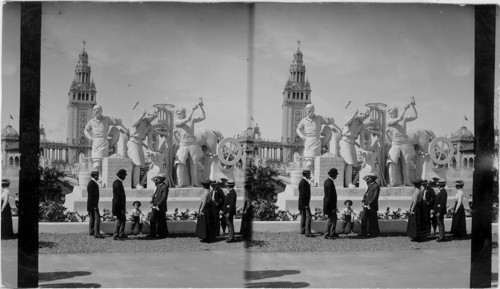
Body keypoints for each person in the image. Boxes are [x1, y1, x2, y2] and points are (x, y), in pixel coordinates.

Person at [386, 99, 418, 186]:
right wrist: (404, 109)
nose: (390, 114)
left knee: (406, 164)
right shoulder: (389, 121)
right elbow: (399, 118)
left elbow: (415, 116)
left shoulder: (404, 119)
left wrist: (412, 106)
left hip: (404, 144)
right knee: (391, 162)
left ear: (396, 112)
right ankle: (392, 182)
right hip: (395, 144)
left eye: (391, 112)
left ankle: (407, 182)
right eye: (389, 113)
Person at [296, 104, 333, 179]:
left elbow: (329, 122)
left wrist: (330, 120)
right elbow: (298, 129)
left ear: (314, 110)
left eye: (310, 109)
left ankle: (315, 177)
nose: (309, 111)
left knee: (315, 160)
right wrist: (302, 136)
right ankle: (314, 175)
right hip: (307, 141)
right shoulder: (303, 121)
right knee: (308, 161)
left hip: (316, 140)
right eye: (307, 109)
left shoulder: (319, 118)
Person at [174, 100, 206, 187]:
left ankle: (194, 183)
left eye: (179, 113)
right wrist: (192, 110)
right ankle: (179, 183)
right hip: (183, 145)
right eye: (177, 114)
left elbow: (203, 117)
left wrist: (201, 107)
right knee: (179, 163)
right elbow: (187, 119)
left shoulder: (192, 119)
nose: (178, 115)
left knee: (194, 164)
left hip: (192, 144)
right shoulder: (177, 122)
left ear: (184, 112)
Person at [84, 105, 122, 173]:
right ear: (93, 111)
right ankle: (100, 176)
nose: (96, 111)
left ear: (101, 111)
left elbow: (116, 123)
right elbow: (85, 130)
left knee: (102, 161)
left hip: (104, 142)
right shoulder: (91, 121)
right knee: (96, 161)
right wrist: (90, 137)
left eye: (98, 109)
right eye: (95, 110)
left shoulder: (106, 119)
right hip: (95, 142)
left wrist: (118, 120)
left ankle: (102, 176)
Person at [339, 108, 370, 188]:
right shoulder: (352, 118)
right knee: (349, 162)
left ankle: (347, 182)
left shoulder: (362, 125)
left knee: (352, 163)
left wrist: (362, 148)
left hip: (352, 143)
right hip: (346, 141)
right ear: (360, 113)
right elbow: (346, 123)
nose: (364, 117)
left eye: (366, 116)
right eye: (363, 114)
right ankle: (348, 183)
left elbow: (362, 138)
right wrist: (354, 114)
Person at [127, 109, 158, 188]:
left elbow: (150, 139)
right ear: (147, 114)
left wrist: (150, 149)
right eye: (152, 116)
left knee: (141, 165)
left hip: (140, 145)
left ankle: (132, 182)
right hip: (133, 142)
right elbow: (133, 124)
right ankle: (135, 184)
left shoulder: (149, 126)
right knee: (137, 163)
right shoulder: (139, 119)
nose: (152, 119)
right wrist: (141, 115)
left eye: (154, 118)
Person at [149, 174, 169, 238]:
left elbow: (164, 197)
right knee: (152, 219)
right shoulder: (158, 186)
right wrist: (152, 201)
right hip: (155, 206)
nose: (156, 180)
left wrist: (158, 204)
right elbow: (155, 195)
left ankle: (162, 234)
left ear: (162, 180)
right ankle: (153, 233)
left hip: (160, 206)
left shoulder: (164, 187)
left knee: (161, 221)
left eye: (158, 178)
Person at [360, 173, 380, 238]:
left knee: (372, 221)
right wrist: (363, 201)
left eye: (369, 177)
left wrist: (370, 203)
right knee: (363, 219)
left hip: (372, 206)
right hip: (366, 205)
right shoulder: (370, 185)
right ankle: (364, 233)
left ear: (373, 178)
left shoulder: (376, 186)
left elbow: (375, 196)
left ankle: (373, 233)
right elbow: (366, 194)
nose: (368, 179)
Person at [87, 170, 103, 238]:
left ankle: (91, 231)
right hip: (93, 204)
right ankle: (96, 233)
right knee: (97, 218)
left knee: (92, 218)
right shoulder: (92, 184)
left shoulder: (92, 183)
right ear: (95, 176)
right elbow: (91, 196)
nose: (98, 177)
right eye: (97, 175)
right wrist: (94, 206)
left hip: (91, 204)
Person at [323, 168, 339, 239]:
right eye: (336, 175)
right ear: (333, 175)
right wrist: (333, 207)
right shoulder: (329, 183)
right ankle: (327, 233)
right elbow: (329, 196)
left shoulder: (328, 181)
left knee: (334, 218)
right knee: (330, 219)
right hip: (330, 205)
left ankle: (332, 232)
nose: (336, 176)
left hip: (330, 204)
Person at [112, 169, 127, 240]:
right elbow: (119, 197)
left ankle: (121, 234)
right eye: (124, 175)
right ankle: (116, 234)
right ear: (122, 176)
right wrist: (121, 208)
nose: (125, 177)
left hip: (118, 205)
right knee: (119, 220)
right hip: (119, 206)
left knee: (122, 220)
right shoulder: (118, 184)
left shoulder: (116, 182)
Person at [298, 169, 313, 237]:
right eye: (309, 174)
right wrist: (306, 205)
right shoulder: (303, 182)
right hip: (305, 203)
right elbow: (303, 195)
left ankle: (303, 230)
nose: (309, 175)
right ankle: (308, 232)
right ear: (306, 174)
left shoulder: (304, 182)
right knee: (308, 216)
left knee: (304, 216)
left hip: (303, 203)